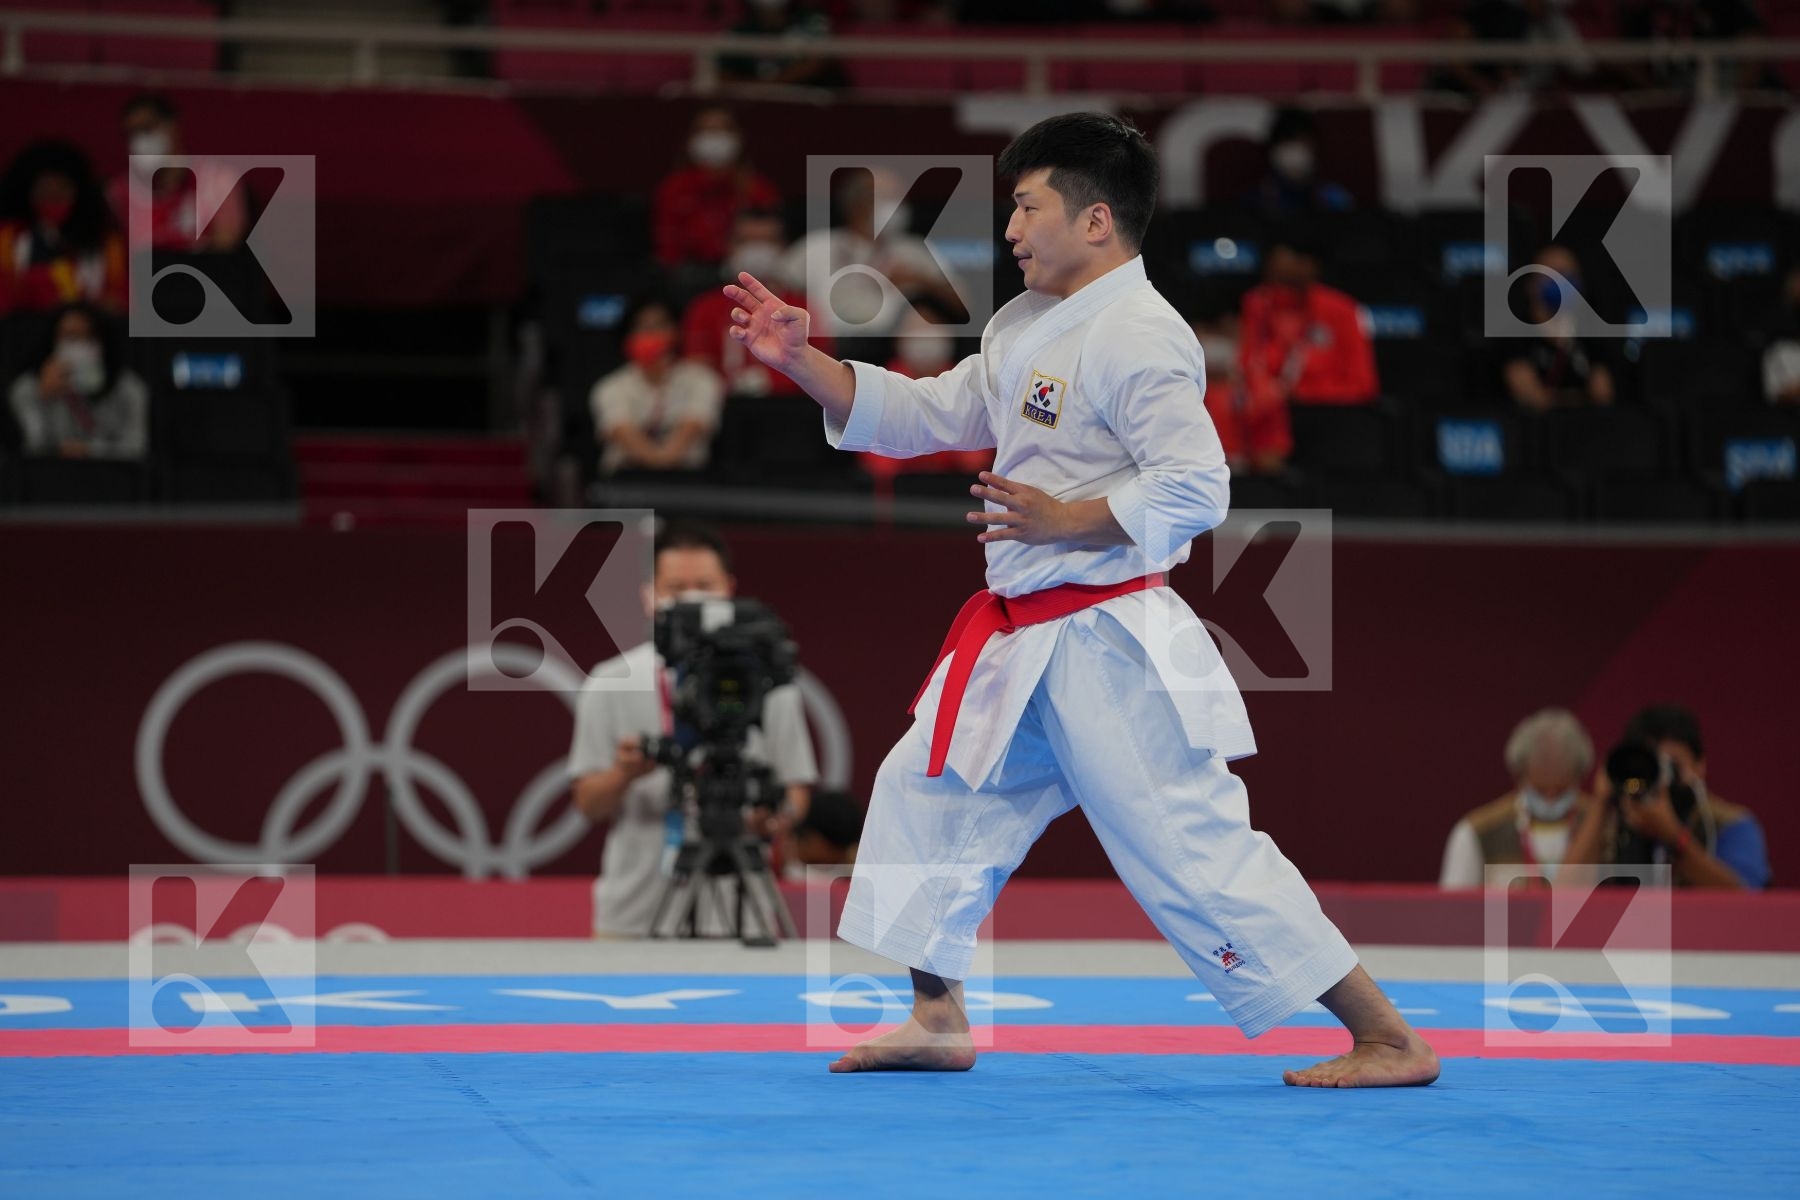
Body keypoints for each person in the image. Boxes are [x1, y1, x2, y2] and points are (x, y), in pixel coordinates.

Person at [722, 112, 1439, 1087]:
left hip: (1112, 634)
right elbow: (930, 414)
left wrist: (1072, 519)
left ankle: (1388, 1036)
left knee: (1187, 847)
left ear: (1097, 220)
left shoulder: (1142, 334)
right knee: (922, 793)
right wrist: (803, 362)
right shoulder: (1024, 325)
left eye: (1028, 207)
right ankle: (936, 1016)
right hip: (1024, 639)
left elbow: (1198, 486)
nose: (1010, 227)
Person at [567, 521, 820, 937]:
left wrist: (776, 818)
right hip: (633, 917)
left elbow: (796, 789)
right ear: (649, 595)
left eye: (704, 586)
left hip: (741, 919)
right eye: (676, 588)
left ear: (729, 589)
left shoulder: (769, 682)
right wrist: (623, 774)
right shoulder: (609, 681)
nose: (692, 599)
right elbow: (588, 804)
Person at [1562, 703, 1771, 890]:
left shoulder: (1728, 823)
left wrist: (1674, 837)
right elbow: (1563, 898)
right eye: (1650, 766)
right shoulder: (1606, 822)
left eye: (1671, 765)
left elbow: (1747, 900)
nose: (1661, 780)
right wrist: (1601, 803)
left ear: (1700, 765)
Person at [776, 165, 966, 345]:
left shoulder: (914, 249)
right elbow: (775, 288)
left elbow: (963, 303)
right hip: (829, 347)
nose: (900, 206)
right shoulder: (815, 246)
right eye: (889, 198)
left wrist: (920, 280)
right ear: (857, 203)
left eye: (901, 199)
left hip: (889, 350)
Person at [1439, 708, 1597, 888]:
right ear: (1519, 776)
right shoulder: (1478, 831)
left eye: (1561, 790)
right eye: (1540, 790)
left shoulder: (1604, 825)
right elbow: (1452, 901)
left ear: (1579, 777)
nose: (1550, 799)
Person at [681, 209, 825, 399]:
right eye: (747, 241)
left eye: (766, 241)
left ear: (783, 248)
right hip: (723, 405)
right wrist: (728, 384)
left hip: (789, 404)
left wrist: (772, 381)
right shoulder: (705, 308)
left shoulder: (801, 307)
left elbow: (821, 368)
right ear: (729, 246)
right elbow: (697, 369)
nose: (757, 251)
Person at [1239, 234, 1380, 410]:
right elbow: (1245, 364)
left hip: (1326, 413)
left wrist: (1301, 393)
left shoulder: (1343, 311)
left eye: (1287, 281)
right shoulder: (1255, 304)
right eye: (1273, 278)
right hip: (1264, 412)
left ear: (1311, 266)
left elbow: (1363, 385)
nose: (1276, 290)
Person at [590, 298, 726, 476]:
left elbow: (693, 426)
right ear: (629, 336)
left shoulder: (703, 380)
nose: (651, 333)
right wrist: (658, 463)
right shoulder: (610, 387)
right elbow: (621, 432)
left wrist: (664, 463)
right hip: (625, 480)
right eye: (643, 327)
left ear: (675, 331)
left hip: (688, 480)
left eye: (659, 325)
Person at [653, 108, 781, 296]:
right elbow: (667, 248)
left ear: (738, 138)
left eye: (722, 130)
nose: (714, 138)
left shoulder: (757, 189)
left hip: (744, 276)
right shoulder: (675, 188)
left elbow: (771, 240)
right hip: (687, 279)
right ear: (691, 139)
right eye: (707, 130)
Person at [7, 302, 147, 461]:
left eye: (89, 337)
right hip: (49, 474)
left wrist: (91, 450)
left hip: (109, 475)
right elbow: (31, 448)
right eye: (70, 337)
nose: (80, 345)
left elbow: (136, 447)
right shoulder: (28, 388)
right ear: (53, 341)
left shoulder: (128, 388)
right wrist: (43, 397)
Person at [0, 140, 127, 317]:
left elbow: (118, 296)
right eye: (45, 190)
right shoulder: (10, 240)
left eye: (61, 190)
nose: (53, 198)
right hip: (28, 326)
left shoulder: (106, 242)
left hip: (92, 324)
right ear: (29, 194)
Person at [108, 94, 247, 253]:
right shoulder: (118, 192)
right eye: (131, 134)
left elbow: (227, 246)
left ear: (173, 126)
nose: (139, 142)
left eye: (146, 129)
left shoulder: (218, 179)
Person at [1500, 245, 1616, 410]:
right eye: (1553, 273)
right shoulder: (1515, 336)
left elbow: (1603, 395)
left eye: (1569, 275)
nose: (1562, 282)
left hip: (1588, 424)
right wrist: (1579, 399)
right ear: (1532, 284)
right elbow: (1532, 397)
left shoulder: (1591, 338)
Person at [1194, 312, 1290, 476]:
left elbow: (1271, 458)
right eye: (1207, 332)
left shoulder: (1261, 394)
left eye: (1222, 333)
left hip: (1242, 478)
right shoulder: (1175, 391)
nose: (1215, 342)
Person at [1244, 108, 1353, 218]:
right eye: (1287, 143)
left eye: (1303, 143)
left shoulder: (1333, 198)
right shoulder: (1256, 200)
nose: (1295, 153)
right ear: (1272, 150)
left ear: (1315, 149)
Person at [717, 0, 843, 89]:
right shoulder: (738, 29)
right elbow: (723, 74)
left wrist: (771, 86)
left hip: (808, 101)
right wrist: (758, 89)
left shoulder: (812, 19)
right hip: (753, 105)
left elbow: (817, 62)